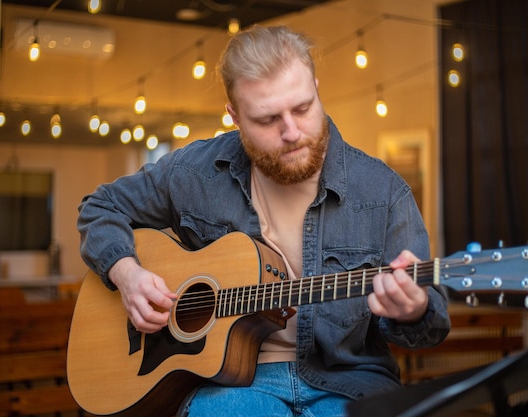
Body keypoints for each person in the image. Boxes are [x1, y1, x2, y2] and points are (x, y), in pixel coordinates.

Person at [78, 24, 451, 417]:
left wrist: (414, 309)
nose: (292, 132)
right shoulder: (194, 172)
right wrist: (126, 274)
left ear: (317, 89)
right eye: (267, 119)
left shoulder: (384, 192)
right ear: (235, 116)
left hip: (348, 380)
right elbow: (99, 207)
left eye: (303, 108)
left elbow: (432, 327)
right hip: (230, 383)